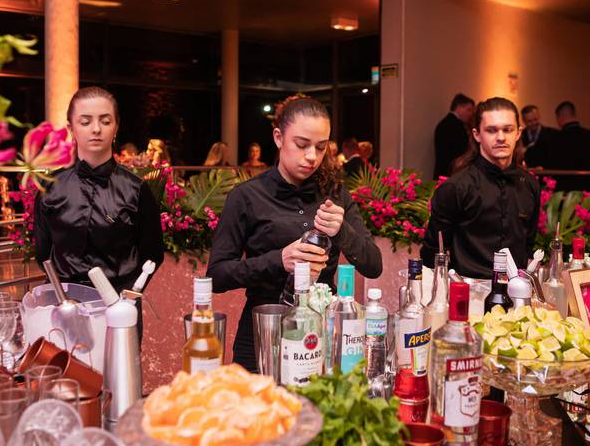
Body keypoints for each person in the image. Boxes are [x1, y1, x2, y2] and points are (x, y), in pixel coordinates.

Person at [207, 96, 382, 372]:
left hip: (322, 336)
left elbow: (373, 265)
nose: (312, 156)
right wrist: (279, 260)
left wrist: (342, 231)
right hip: (263, 334)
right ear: (278, 138)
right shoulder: (247, 196)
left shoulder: (335, 195)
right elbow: (216, 276)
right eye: (301, 145)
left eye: (321, 147)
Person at [34, 86, 164, 296]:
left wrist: (128, 297)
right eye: (85, 122)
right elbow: (42, 254)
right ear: (71, 129)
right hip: (63, 301)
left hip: (121, 303)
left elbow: (153, 255)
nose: (96, 129)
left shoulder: (137, 189)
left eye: (105, 121)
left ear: (116, 127)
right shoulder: (49, 187)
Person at [421, 97, 540, 278]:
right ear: (477, 135)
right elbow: (432, 253)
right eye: (491, 130)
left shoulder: (530, 185)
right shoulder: (457, 187)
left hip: (516, 290)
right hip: (467, 289)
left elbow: (528, 245)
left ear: (518, 133)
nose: (501, 137)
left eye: (507, 129)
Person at [551, 101, 590, 191]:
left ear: (560, 117)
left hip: (563, 190)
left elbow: (550, 166)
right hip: (586, 189)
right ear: (574, 114)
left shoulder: (554, 139)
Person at [433, 93, 475, 179]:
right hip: (451, 174)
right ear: (459, 107)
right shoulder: (455, 126)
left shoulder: (444, 123)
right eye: (469, 110)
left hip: (442, 172)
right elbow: (462, 152)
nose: (471, 114)